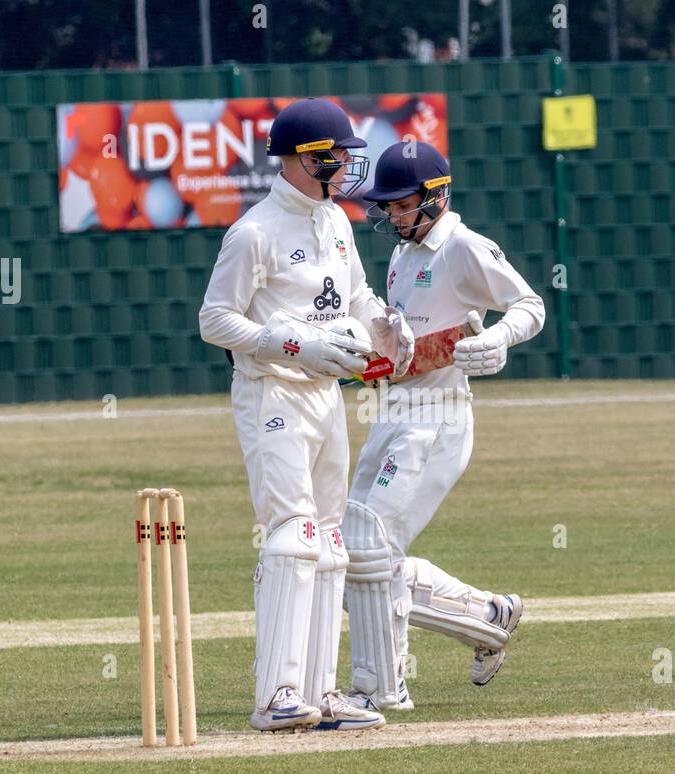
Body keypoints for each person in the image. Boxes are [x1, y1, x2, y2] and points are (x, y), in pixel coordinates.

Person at [199, 98, 414, 732]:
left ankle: (321, 694)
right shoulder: (255, 232)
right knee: (292, 534)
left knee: (329, 540)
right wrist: (296, 344)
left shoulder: (335, 223)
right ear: (300, 160)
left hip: (325, 394)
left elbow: (357, 295)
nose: (346, 165)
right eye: (335, 155)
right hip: (273, 392)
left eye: (349, 154)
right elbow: (215, 320)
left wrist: (385, 326)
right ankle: (276, 695)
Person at [342, 140, 545, 712]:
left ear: (435, 197)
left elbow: (529, 304)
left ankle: (383, 687)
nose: (391, 216)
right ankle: (487, 616)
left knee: (369, 551)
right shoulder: (405, 253)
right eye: (387, 206)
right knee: (352, 552)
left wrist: (498, 337)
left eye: (401, 205)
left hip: (438, 421)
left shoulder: (462, 245)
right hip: (395, 411)